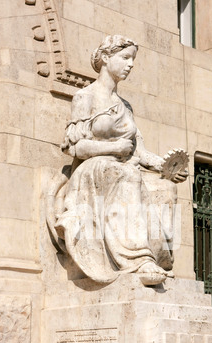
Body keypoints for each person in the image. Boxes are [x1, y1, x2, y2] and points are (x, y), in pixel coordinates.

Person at [48, 35, 188, 286]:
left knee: (166, 188)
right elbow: (74, 146)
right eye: (125, 58)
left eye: (132, 59)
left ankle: (161, 260)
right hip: (92, 169)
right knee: (128, 175)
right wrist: (111, 147)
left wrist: (163, 166)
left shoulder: (126, 106)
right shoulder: (85, 97)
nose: (130, 64)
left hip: (120, 168)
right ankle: (136, 259)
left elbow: (139, 151)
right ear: (105, 58)